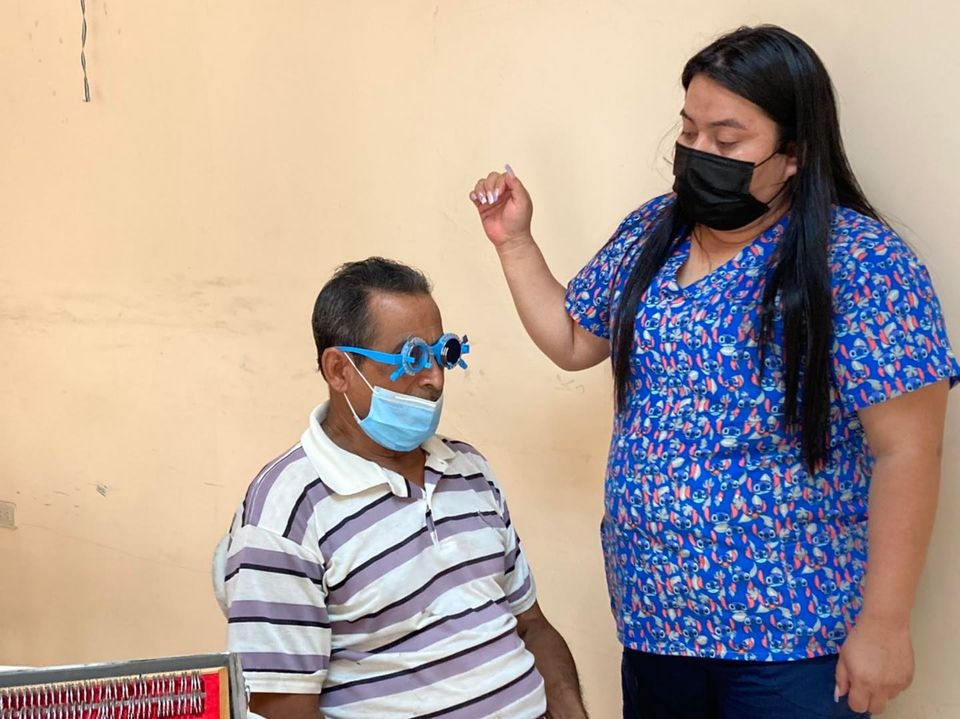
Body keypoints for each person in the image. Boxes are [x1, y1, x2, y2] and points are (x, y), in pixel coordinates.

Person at [469, 24, 959, 719]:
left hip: (793, 639)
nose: (699, 153)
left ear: (795, 153)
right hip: (657, 623)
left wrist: (886, 624)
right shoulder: (654, 232)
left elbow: (908, 448)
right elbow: (575, 339)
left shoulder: (861, 262)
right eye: (690, 131)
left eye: (727, 141)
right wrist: (514, 242)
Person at [213, 257, 588, 719]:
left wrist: (570, 708)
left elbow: (531, 625)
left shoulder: (469, 470)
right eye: (411, 357)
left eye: (442, 353)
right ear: (339, 369)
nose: (434, 378)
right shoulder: (287, 512)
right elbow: (282, 708)